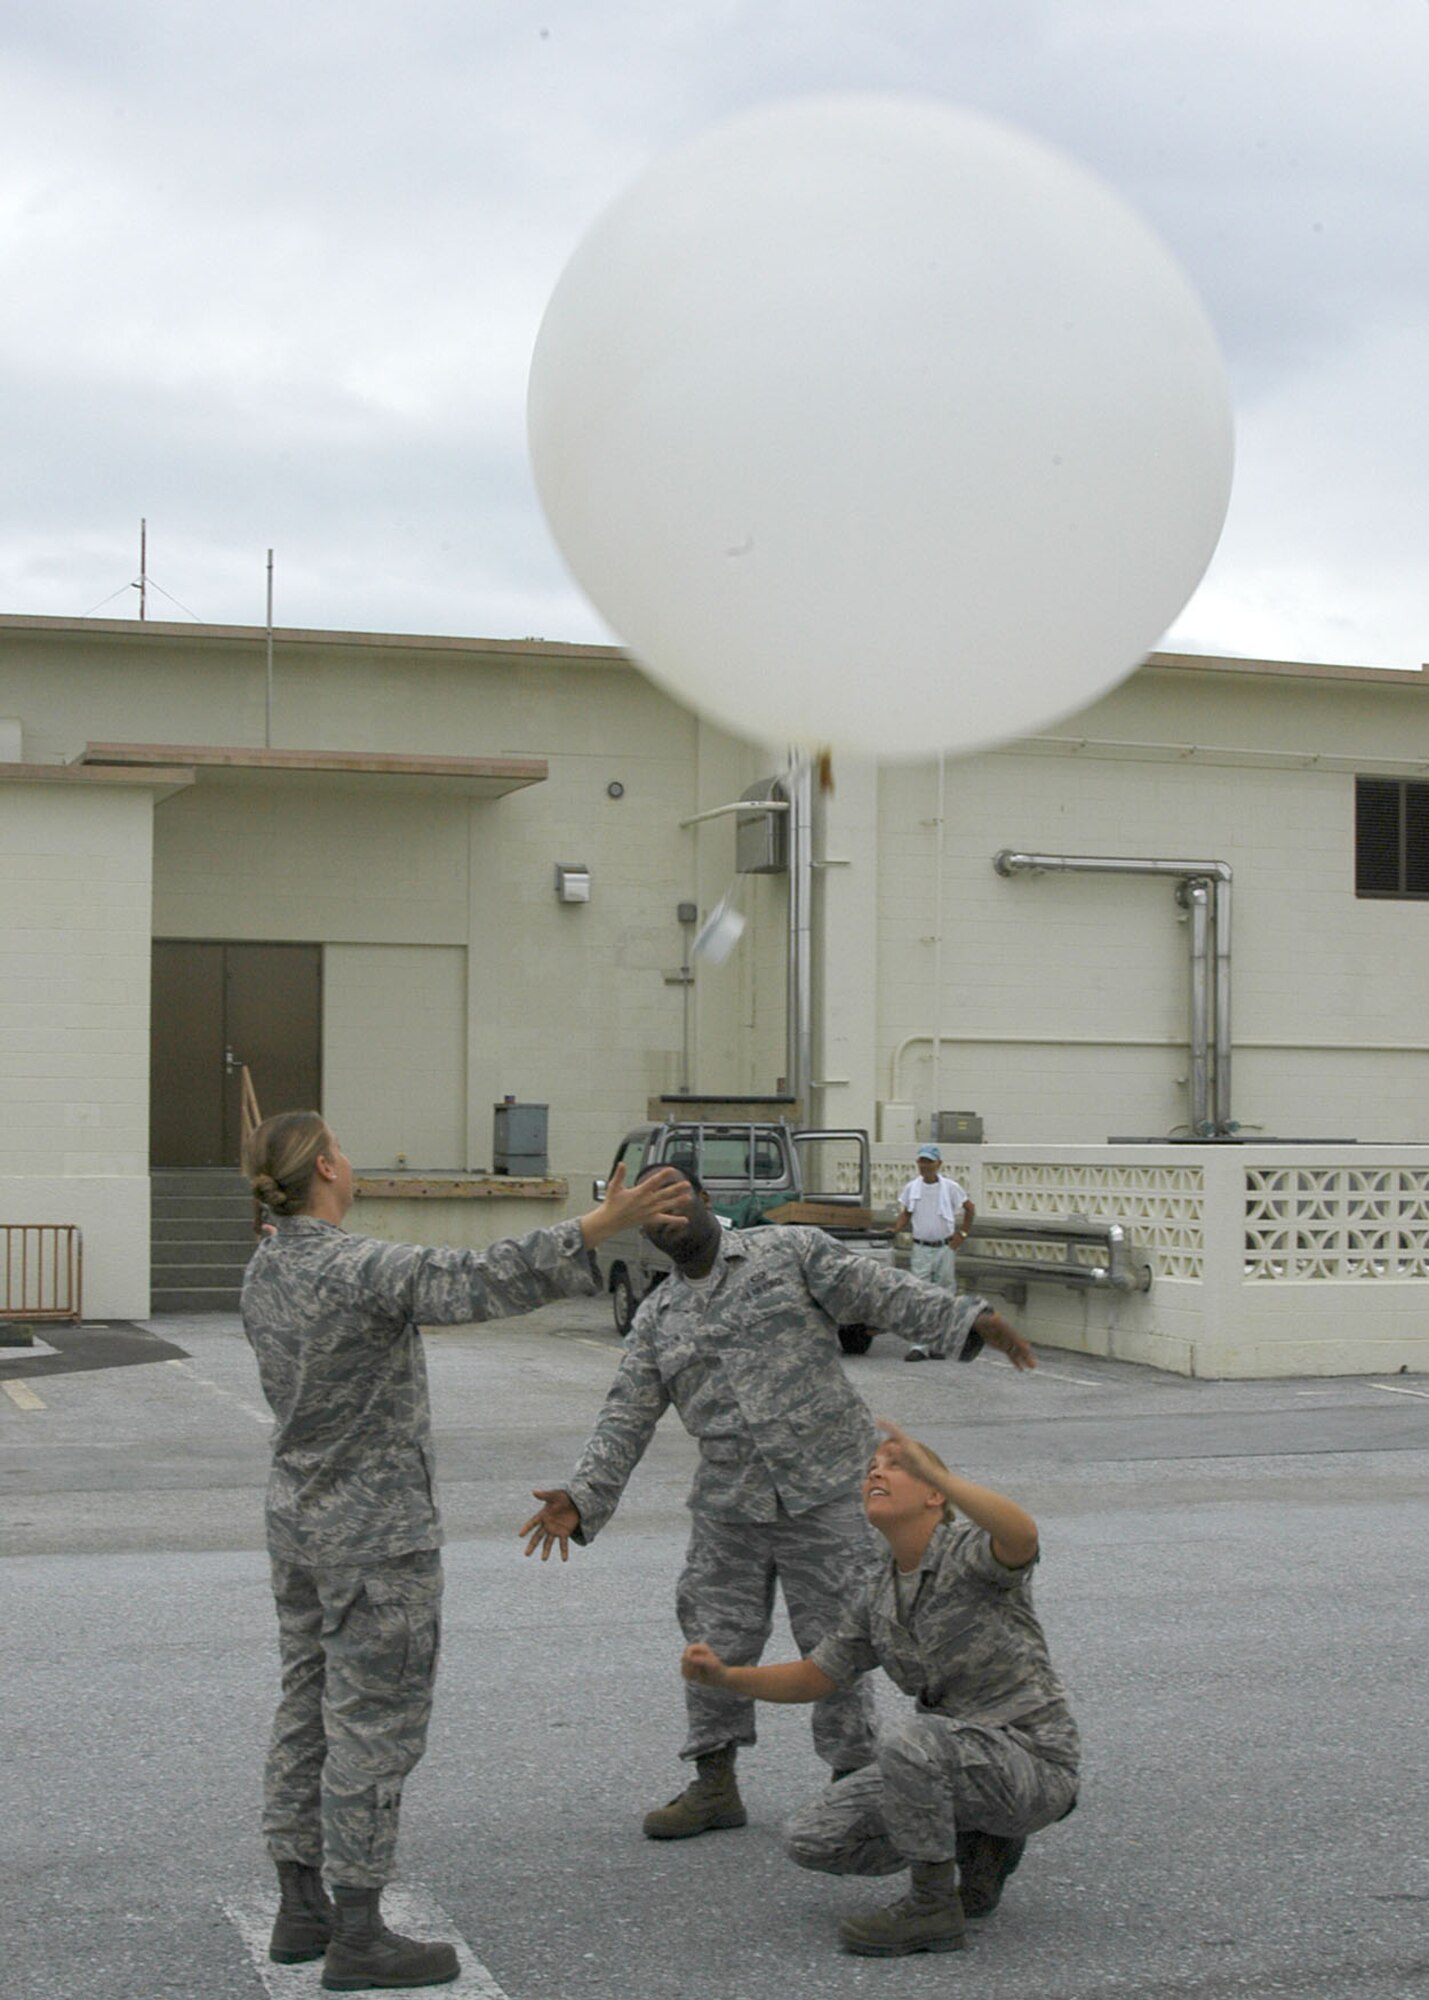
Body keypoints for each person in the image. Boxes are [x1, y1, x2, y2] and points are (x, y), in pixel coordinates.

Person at [240, 1109, 685, 1993]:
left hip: (300, 1525)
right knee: (371, 1728)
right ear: (328, 1165)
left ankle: (301, 1905)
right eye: (346, 1146)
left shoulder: (263, 1270)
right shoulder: (356, 1267)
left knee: (305, 1707)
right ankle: (359, 1932)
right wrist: (598, 1225)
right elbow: (477, 1279)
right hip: (375, 1538)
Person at [520, 1166, 1035, 1843]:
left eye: (675, 1199)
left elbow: (877, 1290)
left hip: (825, 1490)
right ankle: (714, 1781)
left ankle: (852, 1781)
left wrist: (969, 1320)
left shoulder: (786, 1252)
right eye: (651, 1214)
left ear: (706, 1201)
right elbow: (625, 1416)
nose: (667, 1218)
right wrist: (583, 1498)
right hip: (728, 1505)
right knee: (711, 1636)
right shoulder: (657, 1319)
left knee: (838, 1640)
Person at [681, 1419, 1079, 1958]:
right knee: (812, 1836)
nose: (877, 1472)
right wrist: (727, 1678)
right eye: (872, 1468)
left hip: (1033, 1760)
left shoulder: (967, 1552)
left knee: (909, 1740)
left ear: (934, 1493)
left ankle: (932, 1905)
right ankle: (979, 1843)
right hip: (955, 1759)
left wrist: (939, 1469)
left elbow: (1021, 1535)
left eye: (895, 1466)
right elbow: (815, 1675)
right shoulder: (878, 1594)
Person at [889, 1144, 975, 1361]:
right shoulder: (912, 1188)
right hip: (921, 1248)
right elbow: (906, 1213)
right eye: (922, 1161)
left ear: (938, 1164)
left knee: (944, 1295)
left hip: (944, 1247)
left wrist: (962, 1235)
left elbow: (969, 1208)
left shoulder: (950, 1187)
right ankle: (919, 1344)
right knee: (920, 1294)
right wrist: (896, 1229)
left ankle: (939, 1342)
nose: (925, 1166)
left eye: (929, 1162)